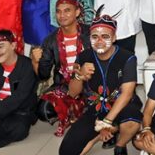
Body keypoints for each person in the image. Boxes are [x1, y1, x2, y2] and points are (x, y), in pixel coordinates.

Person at [58, 12, 142, 155]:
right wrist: (80, 76)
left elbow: (127, 94)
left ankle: (120, 144)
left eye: (105, 36)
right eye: (95, 37)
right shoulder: (83, 57)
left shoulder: (127, 58)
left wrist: (106, 123)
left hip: (123, 107)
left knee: (131, 120)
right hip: (95, 110)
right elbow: (73, 92)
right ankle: (100, 135)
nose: (99, 41)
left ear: (114, 38)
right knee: (66, 151)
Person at [34, 0, 89, 136]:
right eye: (58, 12)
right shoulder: (50, 40)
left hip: (90, 82)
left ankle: (80, 108)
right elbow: (44, 75)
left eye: (67, 11)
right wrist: (35, 62)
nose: (62, 15)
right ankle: (75, 109)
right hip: (64, 84)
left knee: (101, 105)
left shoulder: (90, 34)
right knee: (43, 110)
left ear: (77, 12)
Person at [0, 30, 37, 149]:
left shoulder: (27, 66)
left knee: (20, 129)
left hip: (19, 111)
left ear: (13, 45)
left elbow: (19, 97)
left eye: (0, 46)